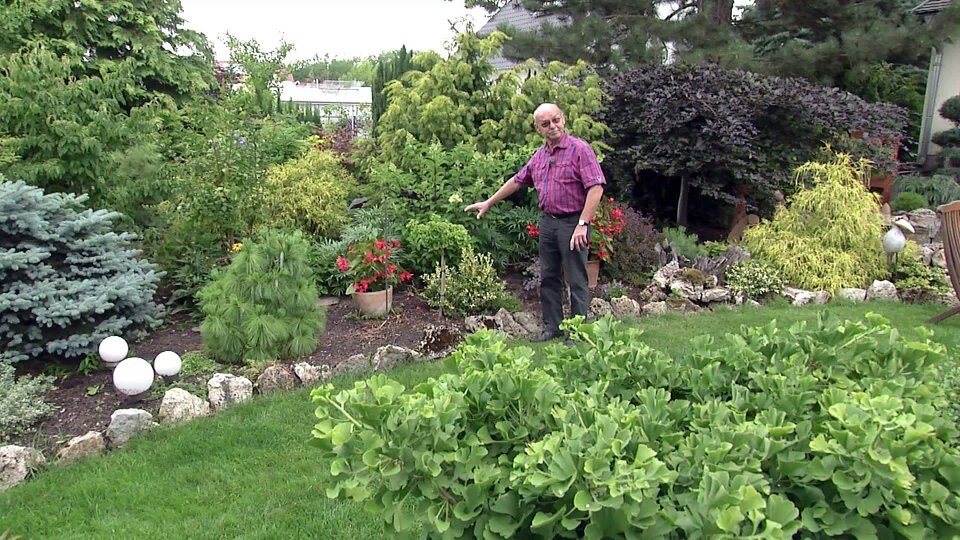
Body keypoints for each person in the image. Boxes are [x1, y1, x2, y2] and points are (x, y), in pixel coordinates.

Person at [465, 103, 605, 341]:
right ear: (537, 128)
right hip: (549, 223)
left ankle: (578, 332)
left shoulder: (580, 150)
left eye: (556, 120)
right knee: (549, 276)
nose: (553, 127)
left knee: (576, 279)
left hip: (573, 223)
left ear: (564, 119)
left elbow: (596, 188)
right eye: (546, 124)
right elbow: (518, 180)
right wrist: (489, 202)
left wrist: (582, 224)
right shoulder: (540, 156)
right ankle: (553, 327)